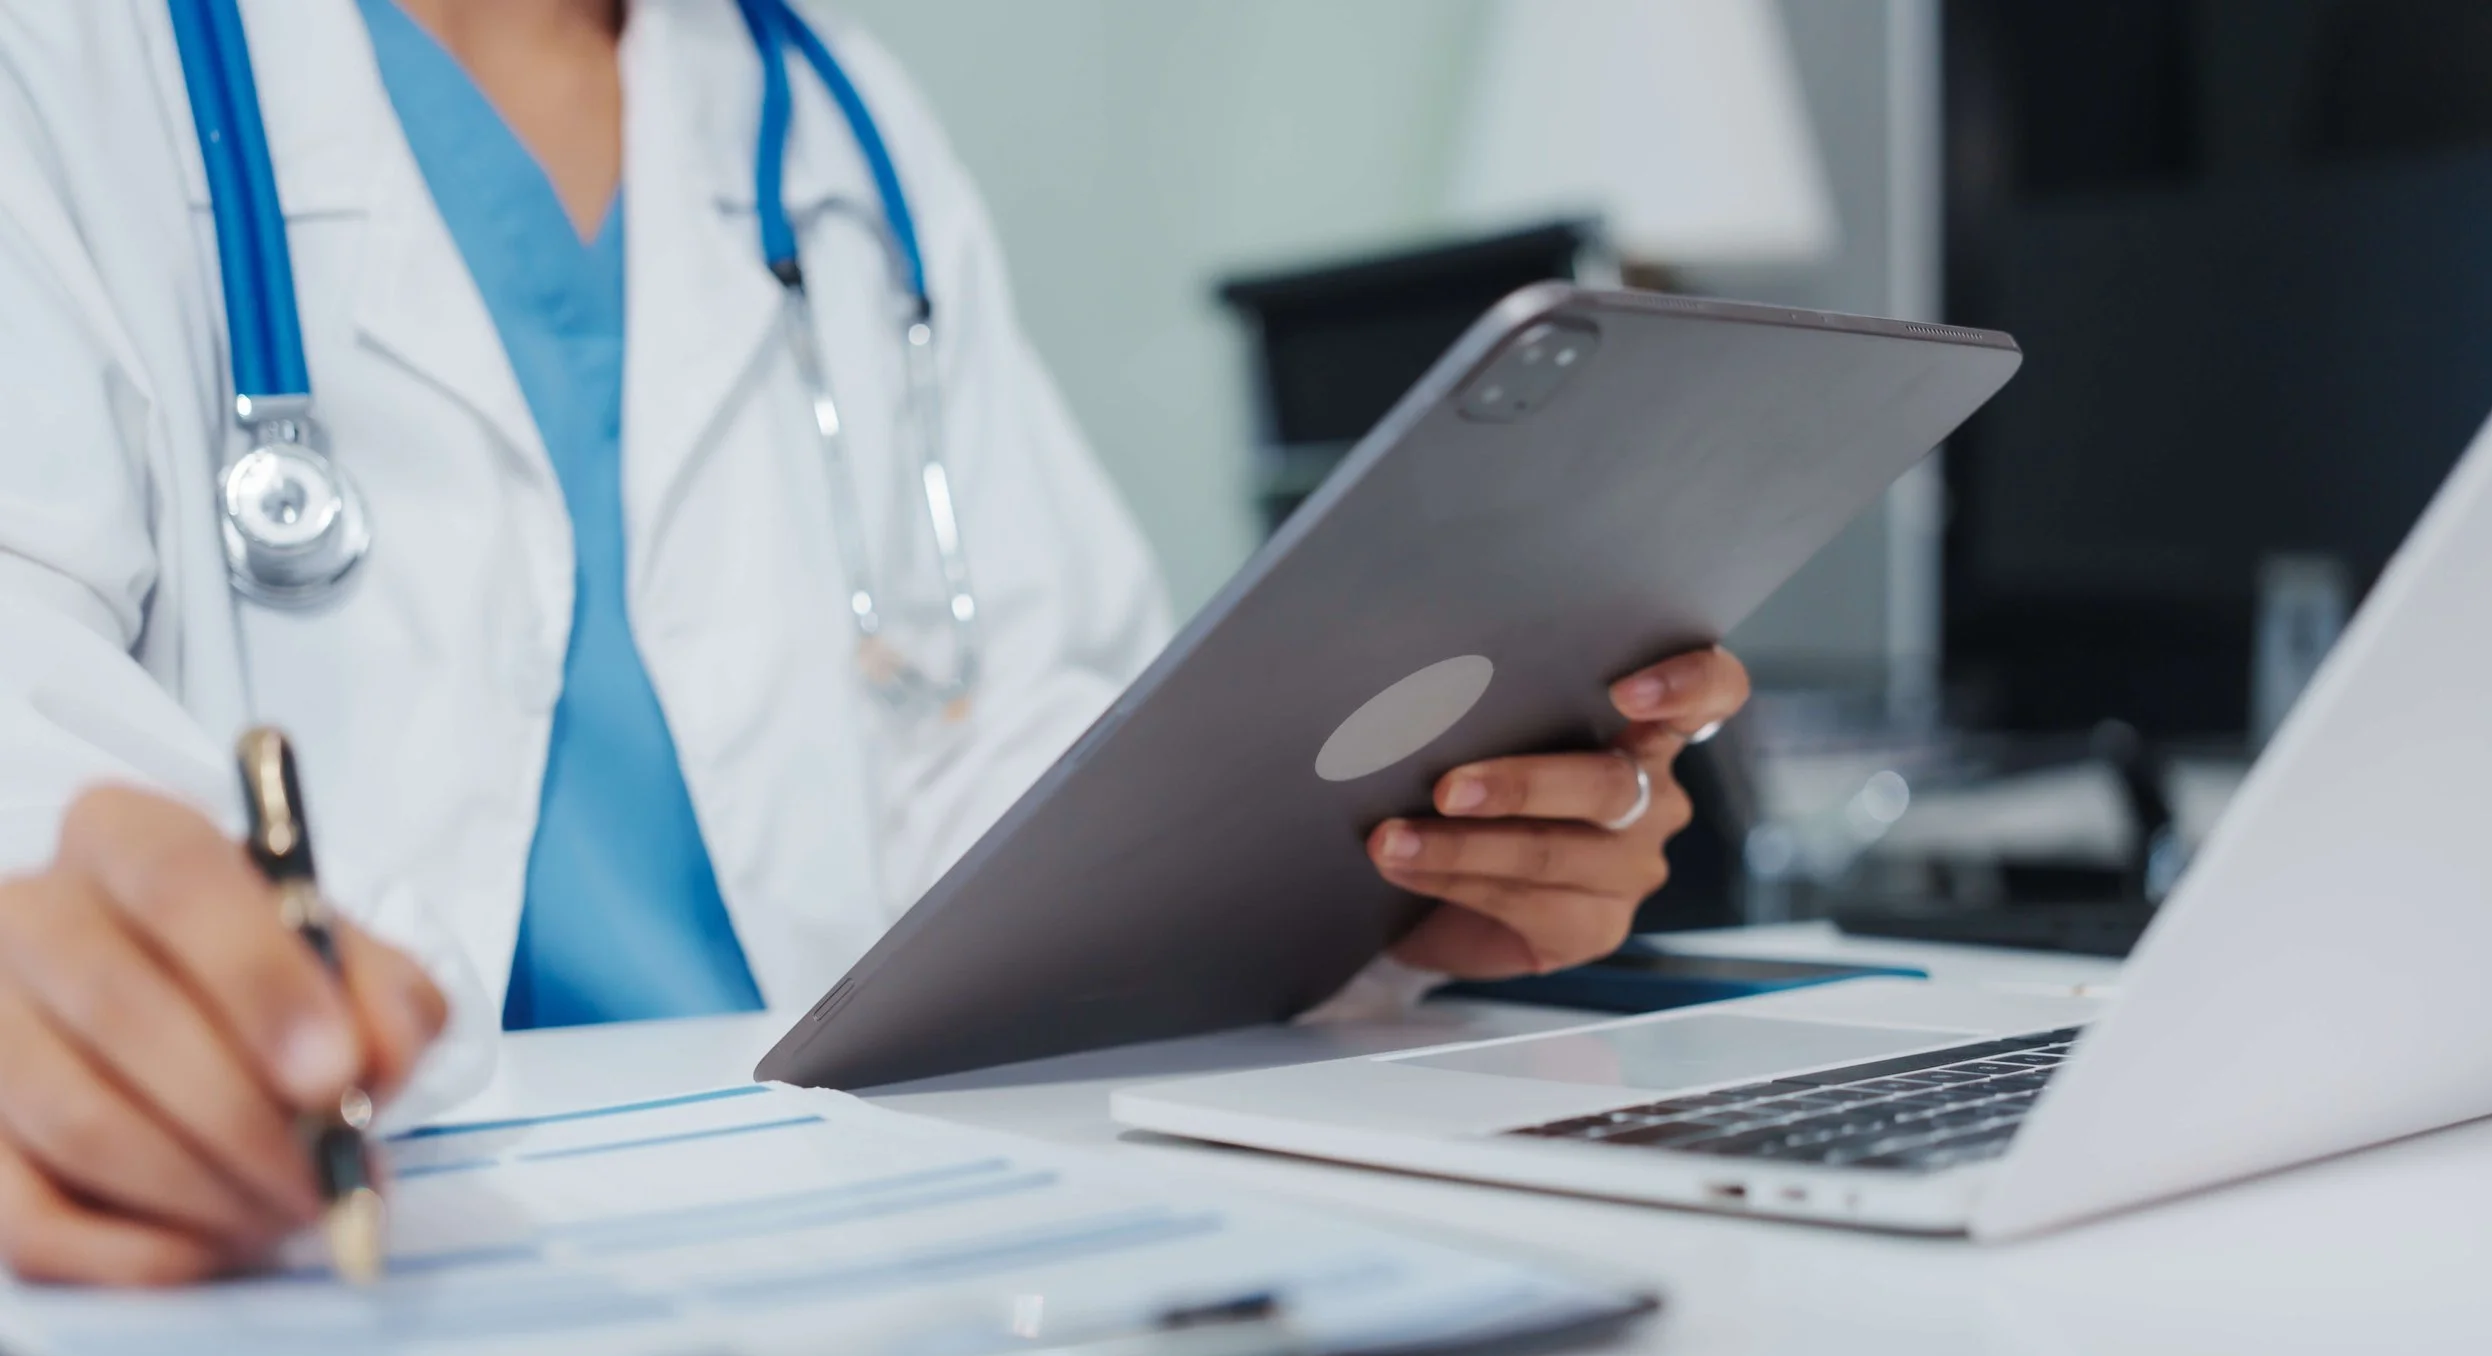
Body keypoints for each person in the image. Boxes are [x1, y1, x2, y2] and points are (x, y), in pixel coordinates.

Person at [0, 0, 1751, 1285]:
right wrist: (85, 990)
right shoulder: (74, 68)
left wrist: (1376, 877)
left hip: (865, 1250)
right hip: (332, 1271)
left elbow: (1022, 751)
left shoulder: (835, 126)